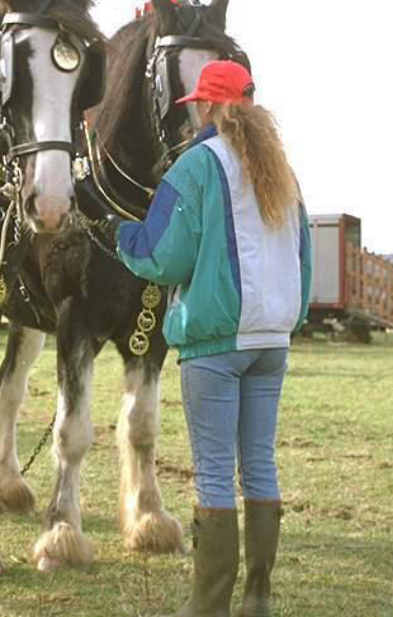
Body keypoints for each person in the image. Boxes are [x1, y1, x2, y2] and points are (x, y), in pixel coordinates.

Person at [105, 60, 311, 617]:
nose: (192, 110)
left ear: (213, 106)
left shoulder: (196, 165)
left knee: (216, 475)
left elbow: (162, 255)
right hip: (272, 340)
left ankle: (207, 607)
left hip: (217, 343)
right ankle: (258, 599)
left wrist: (117, 232)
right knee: (260, 465)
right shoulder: (282, 168)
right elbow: (303, 257)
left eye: (198, 102)